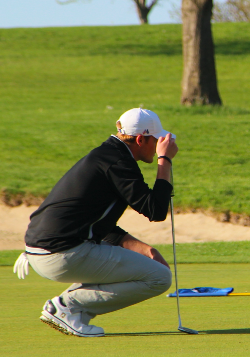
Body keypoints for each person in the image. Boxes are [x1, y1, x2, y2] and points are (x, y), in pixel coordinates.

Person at [13, 108, 178, 337]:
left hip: (45, 250)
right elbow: (156, 210)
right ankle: (67, 307)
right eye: (156, 140)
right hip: (62, 253)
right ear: (140, 139)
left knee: (154, 270)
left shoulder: (109, 155)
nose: (160, 144)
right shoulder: (118, 162)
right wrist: (165, 160)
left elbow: (99, 222)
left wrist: (144, 249)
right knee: (159, 277)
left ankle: (72, 311)